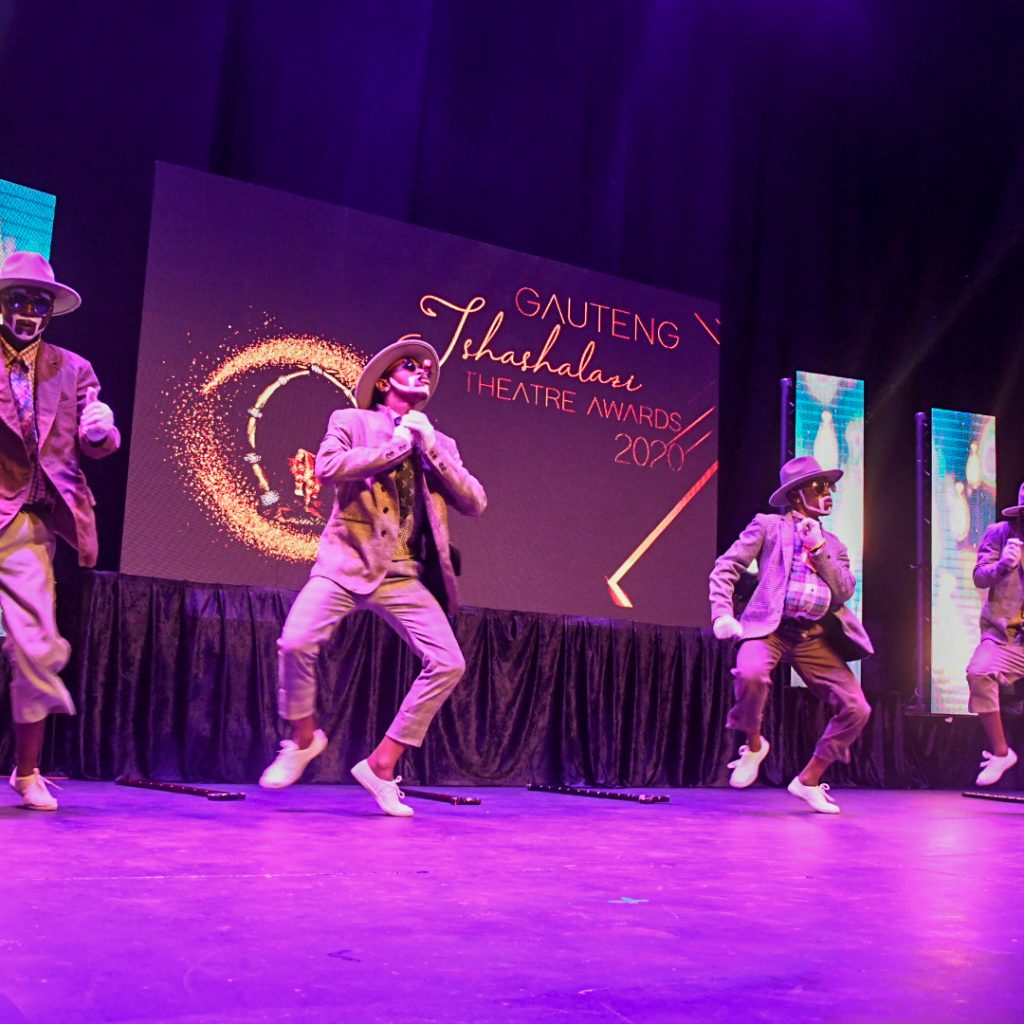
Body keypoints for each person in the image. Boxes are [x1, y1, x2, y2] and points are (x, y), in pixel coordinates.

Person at [260, 337, 486, 815]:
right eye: (411, 365)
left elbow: (474, 501)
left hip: (403, 575)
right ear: (385, 382)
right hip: (346, 562)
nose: (423, 370)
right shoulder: (351, 421)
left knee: (448, 662)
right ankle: (303, 738)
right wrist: (397, 445)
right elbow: (328, 466)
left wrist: (429, 448)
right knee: (295, 643)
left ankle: (382, 765)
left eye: (427, 368)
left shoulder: (440, 442)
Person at [0, 251, 119, 810]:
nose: (28, 311)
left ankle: (27, 772)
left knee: (37, 645)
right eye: (18, 300)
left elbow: (96, 442)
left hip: (26, 521)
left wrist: (100, 429)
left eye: (39, 303)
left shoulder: (73, 369)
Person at [709, 455, 872, 814]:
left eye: (830, 487)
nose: (828, 494)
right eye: (820, 487)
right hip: (770, 628)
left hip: (813, 636)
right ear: (798, 494)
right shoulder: (769, 526)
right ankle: (754, 746)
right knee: (751, 675)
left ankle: (808, 780)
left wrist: (819, 548)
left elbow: (844, 591)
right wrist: (722, 613)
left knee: (857, 708)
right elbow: (727, 566)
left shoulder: (834, 544)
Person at [965, 482, 1024, 786]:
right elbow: (979, 576)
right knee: (979, 671)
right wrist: (1003, 566)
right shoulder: (1001, 533)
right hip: (1005, 636)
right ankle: (1001, 753)